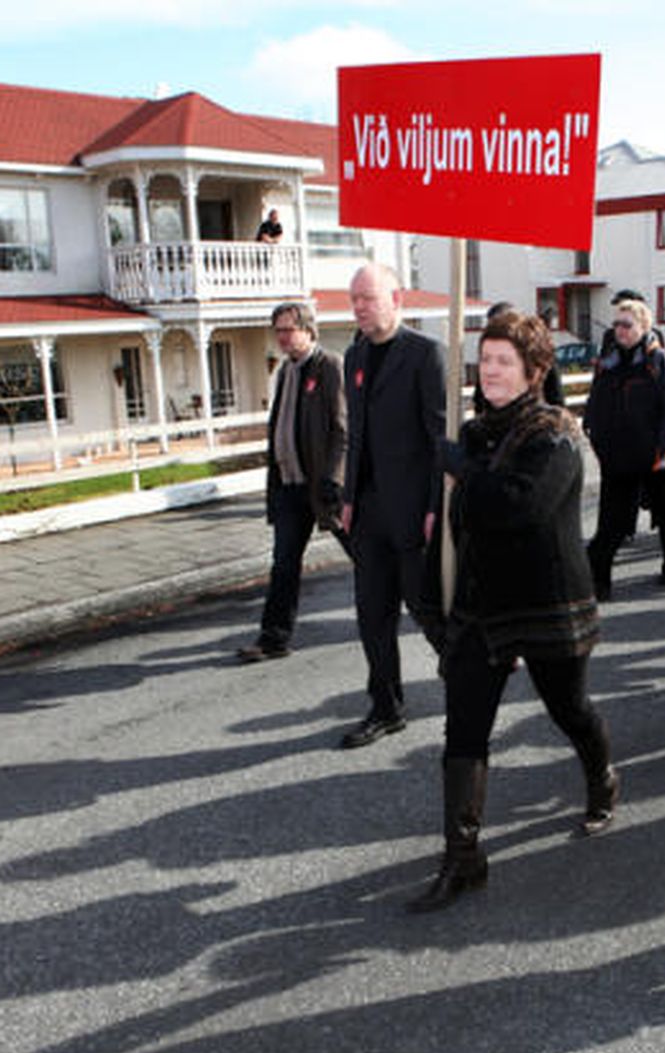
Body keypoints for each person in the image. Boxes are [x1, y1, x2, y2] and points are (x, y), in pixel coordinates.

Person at [408, 310, 613, 913]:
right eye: (485, 360)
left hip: (547, 602)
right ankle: (463, 859)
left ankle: (601, 774)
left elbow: (518, 508)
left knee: (569, 709)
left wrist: (461, 472)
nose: (491, 371)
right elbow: (459, 524)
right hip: (483, 607)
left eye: (504, 361)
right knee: (463, 732)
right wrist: (435, 597)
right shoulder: (471, 436)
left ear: (533, 371)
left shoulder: (555, 437)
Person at [339, 264, 447, 749]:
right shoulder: (353, 355)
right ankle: (386, 707)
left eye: (368, 297)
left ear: (395, 299)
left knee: (426, 610)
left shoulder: (426, 356)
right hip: (367, 511)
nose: (359, 306)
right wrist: (346, 498)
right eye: (354, 299)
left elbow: (439, 439)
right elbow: (356, 436)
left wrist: (433, 505)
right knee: (372, 615)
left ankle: (469, 684)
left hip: (413, 508)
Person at [237, 303, 350, 663]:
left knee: (366, 555)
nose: (282, 337)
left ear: (308, 330)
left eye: (288, 329)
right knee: (284, 563)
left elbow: (342, 430)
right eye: (278, 330)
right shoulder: (285, 372)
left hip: (323, 489)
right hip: (289, 487)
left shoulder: (329, 366)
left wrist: (334, 479)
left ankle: (409, 609)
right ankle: (274, 638)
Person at [583, 298, 665, 599]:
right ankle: (598, 582)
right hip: (618, 455)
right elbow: (595, 403)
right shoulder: (608, 362)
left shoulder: (658, 361)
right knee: (611, 523)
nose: (620, 330)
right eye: (617, 324)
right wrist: (594, 434)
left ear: (643, 327)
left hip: (655, 454)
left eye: (627, 324)